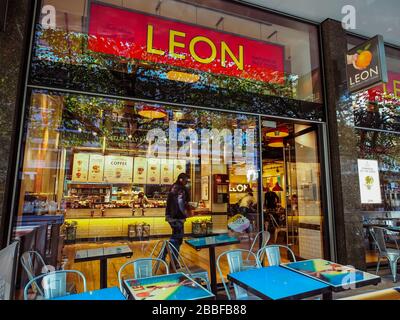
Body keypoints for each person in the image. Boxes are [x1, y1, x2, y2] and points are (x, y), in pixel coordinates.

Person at [165, 173, 191, 254]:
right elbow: (179, 203)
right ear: (181, 179)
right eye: (186, 180)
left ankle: (168, 259)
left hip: (172, 216)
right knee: (177, 239)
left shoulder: (174, 187)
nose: (187, 182)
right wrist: (184, 213)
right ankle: (171, 261)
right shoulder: (180, 189)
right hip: (177, 217)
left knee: (175, 238)